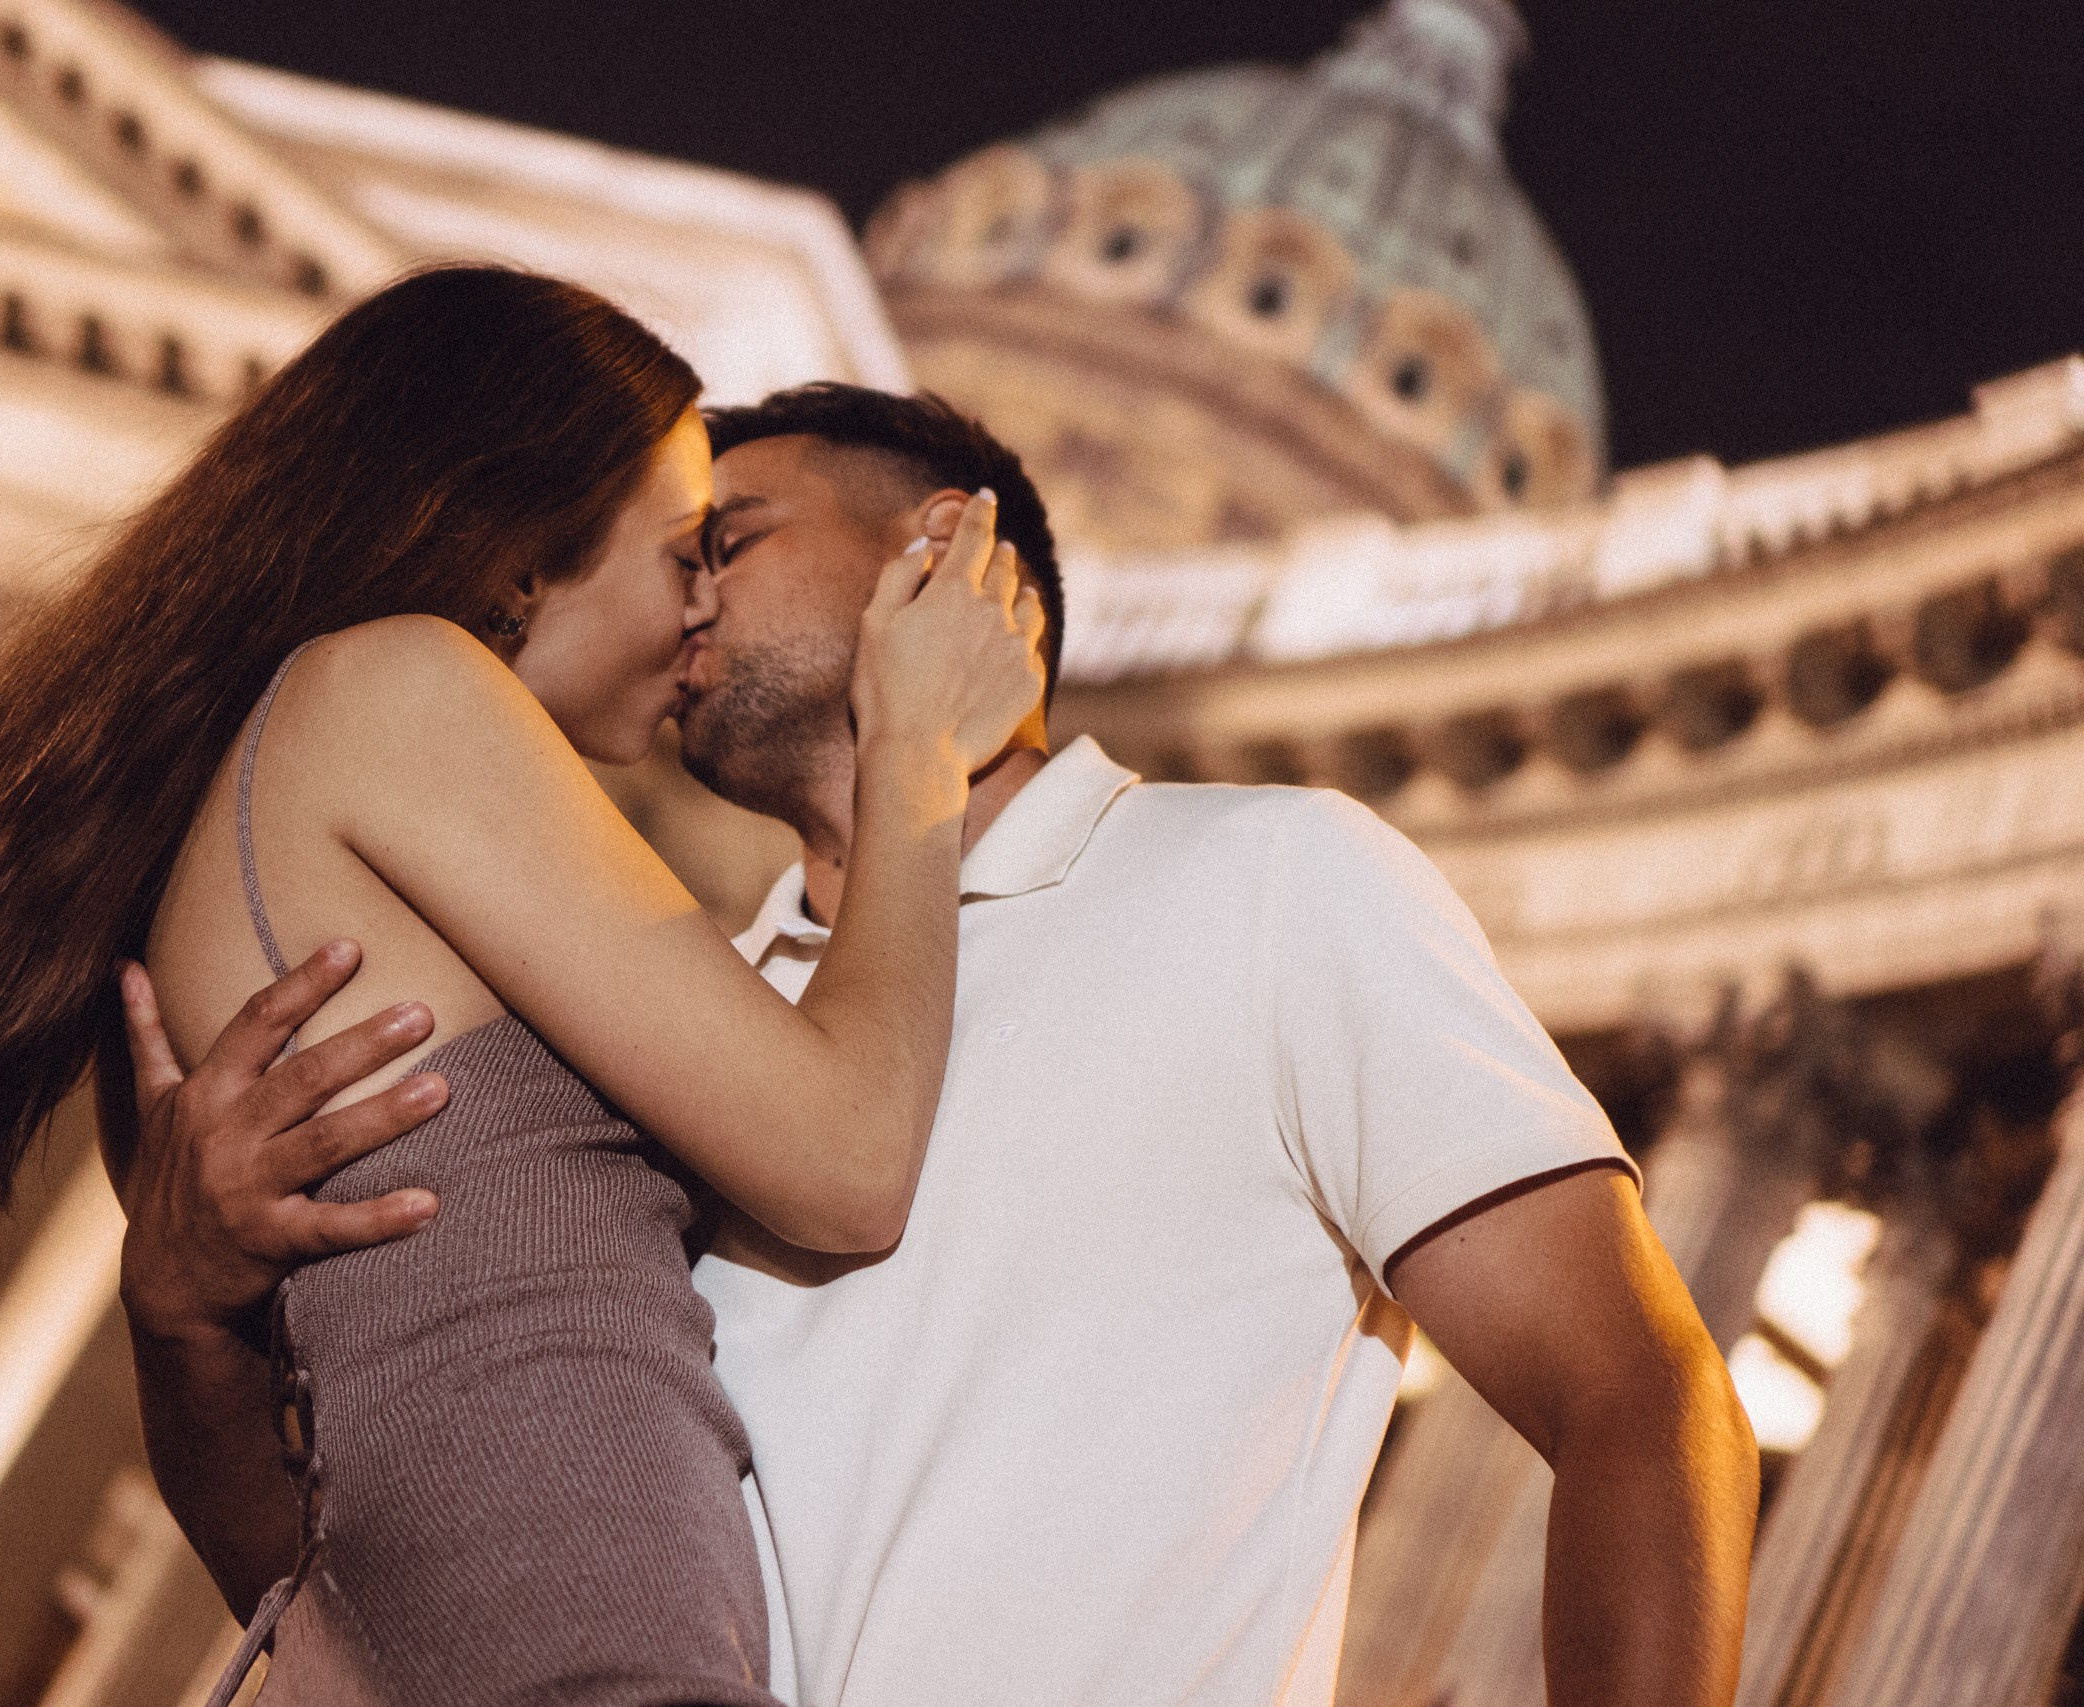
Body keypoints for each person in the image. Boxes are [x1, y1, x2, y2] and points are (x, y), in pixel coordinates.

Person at [124, 383, 1760, 1707]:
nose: (680, 597)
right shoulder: (651, 1030)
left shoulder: (1272, 879)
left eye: (731, 538)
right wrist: (182, 1316)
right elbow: (340, 1580)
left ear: (948, 553)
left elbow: (1634, 1390)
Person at [0, 273, 1045, 1706]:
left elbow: (297, 1562)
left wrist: (178, 1322)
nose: (701, 613)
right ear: (522, 561)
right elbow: (851, 1162)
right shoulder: (401, 692)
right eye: (689, 551)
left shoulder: (242, 843)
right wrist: (914, 753)